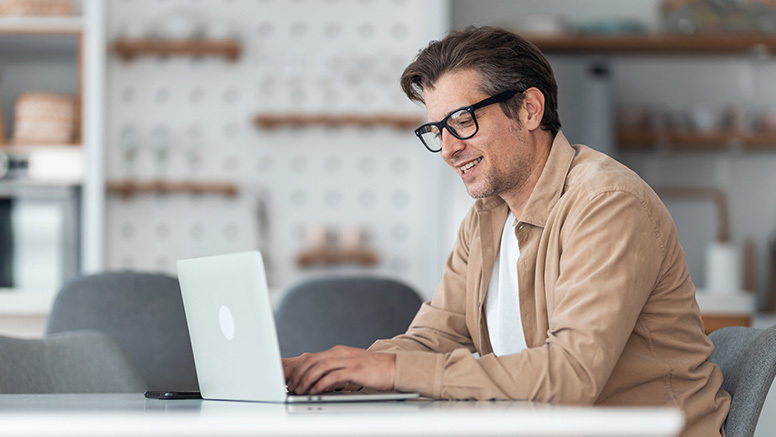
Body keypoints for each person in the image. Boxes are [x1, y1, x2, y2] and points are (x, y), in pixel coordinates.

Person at [283, 26, 730, 437]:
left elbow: (572, 373)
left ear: (530, 109)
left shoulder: (606, 204)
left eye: (461, 122)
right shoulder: (486, 218)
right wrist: (330, 372)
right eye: (437, 129)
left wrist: (391, 372)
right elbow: (434, 337)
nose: (448, 149)